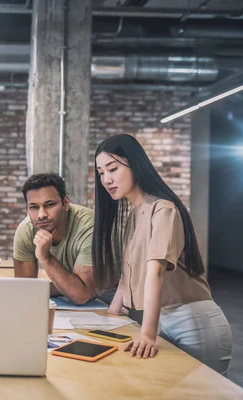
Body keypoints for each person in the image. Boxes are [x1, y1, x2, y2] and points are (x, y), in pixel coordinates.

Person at [93, 133, 232, 374]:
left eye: (113, 169)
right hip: (164, 322)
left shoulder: (163, 209)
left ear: (135, 164)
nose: (107, 179)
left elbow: (154, 273)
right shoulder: (134, 215)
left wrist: (147, 335)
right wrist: (110, 314)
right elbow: (127, 277)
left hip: (194, 324)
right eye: (101, 173)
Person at [13, 173, 103, 305]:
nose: (41, 215)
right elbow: (26, 289)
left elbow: (81, 295)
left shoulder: (90, 226)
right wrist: (64, 288)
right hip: (72, 300)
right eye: (34, 207)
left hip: (113, 296)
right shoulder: (26, 230)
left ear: (66, 203)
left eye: (49, 205)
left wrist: (45, 258)